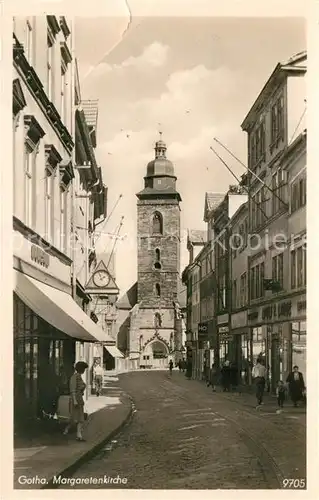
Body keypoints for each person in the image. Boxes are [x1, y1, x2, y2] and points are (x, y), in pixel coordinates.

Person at [63, 361, 88, 441]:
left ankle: (78, 435)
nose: (84, 370)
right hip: (75, 399)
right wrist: (74, 400)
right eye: (83, 368)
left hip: (79, 398)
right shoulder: (74, 377)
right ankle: (68, 430)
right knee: (74, 418)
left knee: (79, 418)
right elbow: (73, 390)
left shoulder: (79, 377)